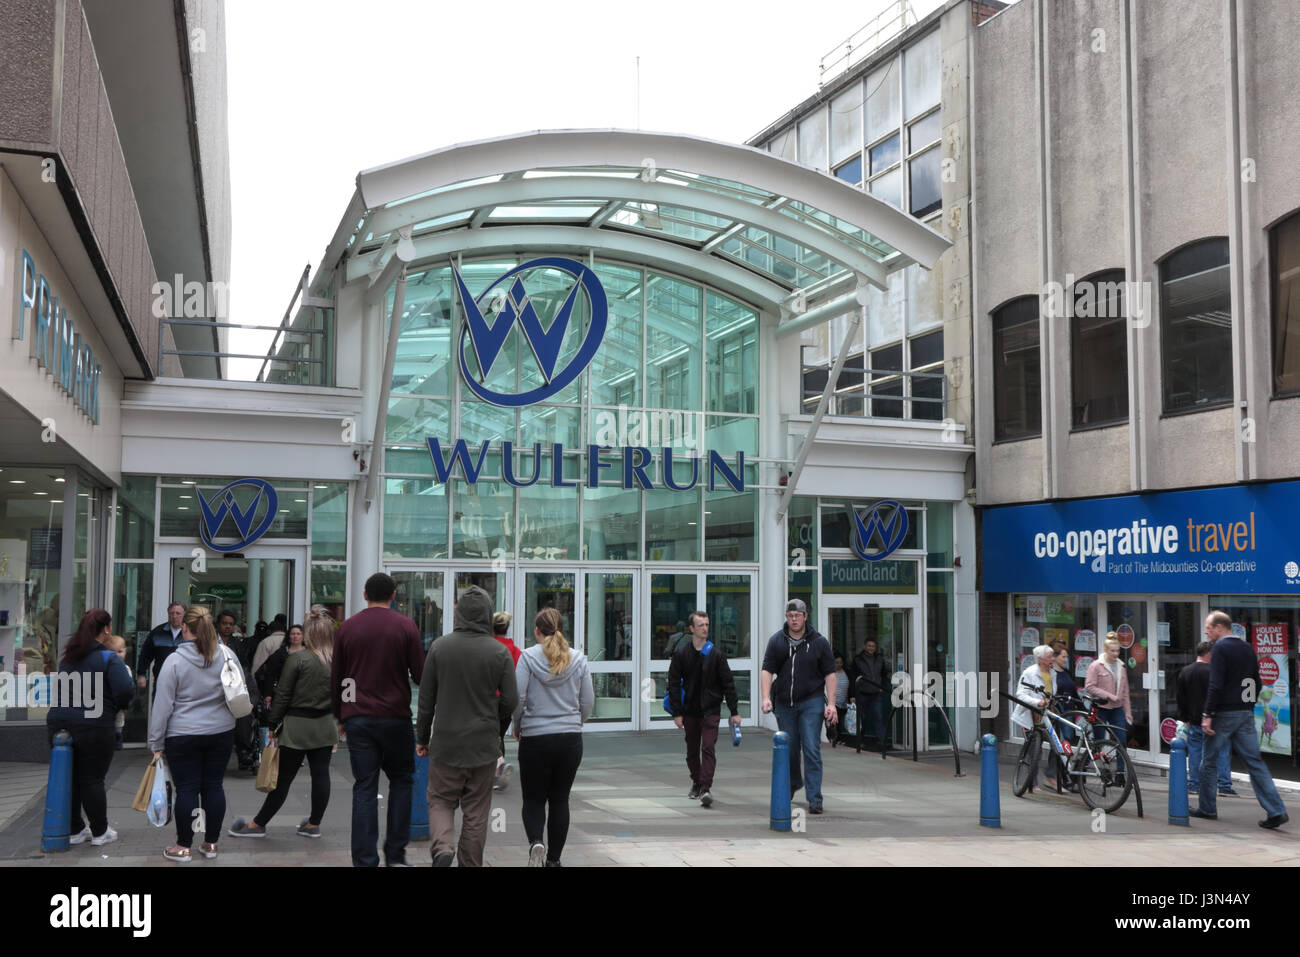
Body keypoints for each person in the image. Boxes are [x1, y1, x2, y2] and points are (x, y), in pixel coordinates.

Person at [415, 585, 518, 867]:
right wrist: (494, 726)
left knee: (440, 800)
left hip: (446, 743)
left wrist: (422, 738)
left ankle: (443, 847)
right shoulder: (499, 652)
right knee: (476, 811)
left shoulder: (439, 647)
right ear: (487, 615)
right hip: (483, 746)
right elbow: (511, 700)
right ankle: (469, 863)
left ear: (458, 613)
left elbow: (426, 701)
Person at [331, 572, 424, 867]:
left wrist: (342, 714)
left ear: (364, 594)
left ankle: (365, 859)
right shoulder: (406, 626)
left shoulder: (347, 628)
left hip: (359, 718)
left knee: (365, 787)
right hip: (396, 717)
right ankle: (395, 855)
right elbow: (420, 674)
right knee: (402, 782)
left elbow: (340, 678)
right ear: (394, 595)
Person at [229, 610, 338, 839]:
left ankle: (258, 824)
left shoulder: (298, 659)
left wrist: (272, 725)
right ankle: (313, 825)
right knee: (321, 775)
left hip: (297, 726)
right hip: (326, 725)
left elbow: (283, 696)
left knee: (283, 778)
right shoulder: (336, 662)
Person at [148, 606, 238, 863]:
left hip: (182, 734)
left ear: (185, 629)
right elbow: (237, 689)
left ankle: (183, 846)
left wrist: (156, 741)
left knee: (186, 789)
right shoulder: (226, 655)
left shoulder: (174, 661)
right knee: (214, 786)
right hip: (221, 731)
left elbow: (162, 706)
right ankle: (211, 844)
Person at [1190, 611, 1289, 828]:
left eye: (1208, 627)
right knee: (1254, 762)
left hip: (1224, 713)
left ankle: (1207, 808)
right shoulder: (1247, 648)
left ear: (1220, 627)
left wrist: (1207, 715)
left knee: (1209, 761)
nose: (1206, 631)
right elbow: (1257, 682)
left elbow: (1215, 685)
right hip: (1245, 713)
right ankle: (1276, 810)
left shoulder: (1220, 649)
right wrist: (1248, 705)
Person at [46, 610, 134, 847]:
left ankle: (75, 829)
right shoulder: (108, 658)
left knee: (71, 777)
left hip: (59, 724)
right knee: (93, 779)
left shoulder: (69, 658)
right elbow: (125, 691)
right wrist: (116, 708)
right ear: (106, 630)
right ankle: (99, 831)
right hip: (94, 725)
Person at [513, 607, 593, 866]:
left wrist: (518, 724)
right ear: (562, 628)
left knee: (533, 798)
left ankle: (536, 841)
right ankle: (554, 860)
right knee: (560, 799)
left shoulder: (527, 657)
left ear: (536, 630)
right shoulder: (578, 659)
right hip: (570, 740)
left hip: (535, 738)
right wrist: (575, 722)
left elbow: (518, 697)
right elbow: (588, 701)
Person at [760, 599, 837, 814]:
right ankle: (794, 782)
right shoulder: (777, 641)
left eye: (798, 615)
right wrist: (766, 697)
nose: (794, 619)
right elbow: (767, 670)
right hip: (784, 703)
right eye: (790, 616)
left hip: (811, 702)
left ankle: (815, 799)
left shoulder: (819, 642)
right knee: (790, 749)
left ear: (805, 617)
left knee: (811, 748)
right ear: (786, 617)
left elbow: (830, 674)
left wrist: (831, 704)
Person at [667, 610, 740, 806]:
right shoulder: (682, 655)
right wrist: (677, 713)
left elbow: (728, 683)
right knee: (692, 752)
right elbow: (673, 684)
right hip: (690, 711)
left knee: (708, 748)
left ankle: (705, 788)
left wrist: (734, 712)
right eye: (701, 625)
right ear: (692, 629)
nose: (705, 628)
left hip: (710, 711)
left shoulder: (716, 654)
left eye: (707, 624)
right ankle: (696, 782)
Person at [1177, 640, 1234, 796]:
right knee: (1222, 751)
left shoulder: (1185, 671)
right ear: (1209, 654)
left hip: (1194, 720)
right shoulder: (1213, 673)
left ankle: (1194, 784)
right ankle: (1224, 785)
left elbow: (1181, 698)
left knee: (1195, 752)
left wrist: (1185, 717)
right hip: (1214, 721)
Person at [1009, 644, 1058, 790]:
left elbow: (1052, 692)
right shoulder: (1029, 673)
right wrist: (1038, 702)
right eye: (1050, 657)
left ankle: (1051, 776)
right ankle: (1033, 782)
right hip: (1031, 715)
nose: (1053, 659)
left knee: (1057, 746)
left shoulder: (1053, 673)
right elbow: (1020, 694)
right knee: (1034, 750)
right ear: (1040, 659)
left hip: (1048, 715)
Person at [217, 610, 260, 772]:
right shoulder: (212, 642)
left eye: (230, 624)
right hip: (217, 684)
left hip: (234, 683)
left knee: (244, 713)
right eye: (224, 623)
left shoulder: (238, 645)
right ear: (218, 624)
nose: (227, 627)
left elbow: (243, 668)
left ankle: (244, 750)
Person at [1085, 636, 1134, 776]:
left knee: (1121, 740)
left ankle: (1120, 772)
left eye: (1117, 651)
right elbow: (1089, 687)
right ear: (1105, 650)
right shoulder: (1096, 666)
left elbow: (1125, 692)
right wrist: (1109, 695)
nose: (1115, 654)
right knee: (1098, 741)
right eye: (1112, 651)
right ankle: (1086, 766)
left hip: (1117, 709)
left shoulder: (1121, 666)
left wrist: (1128, 712)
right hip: (1100, 708)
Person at [491, 611, 521, 791]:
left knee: (491, 736)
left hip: (490, 699)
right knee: (498, 735)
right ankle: (497, 770)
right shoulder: (516, 651)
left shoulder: (490, 648)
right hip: (508, 700)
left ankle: (499, 766)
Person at [848, 638, 892, 755]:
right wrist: (852, 694)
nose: (871, 648)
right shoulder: (858, 660)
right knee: (862, 719)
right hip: (862, 693)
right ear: (865, 646)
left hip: (876, 693)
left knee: (878, 717)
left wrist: (883, 685)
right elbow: (853, 678)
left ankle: (881, 743)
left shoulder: (880, 659)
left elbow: (883, 674)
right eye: (869, 646)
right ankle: (859, 741)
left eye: (873, 646)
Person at [136, 602, 185, 692]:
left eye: (178, 613)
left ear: (184, 615)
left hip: (184, 683)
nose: (174, 616)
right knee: (159, 705)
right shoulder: (157, 633)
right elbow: (145, 655)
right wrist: (141, 674)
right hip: (161, 681)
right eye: (171, 613)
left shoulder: (190, 633)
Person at [831, 655, 849, 746]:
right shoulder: (831, 673)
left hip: (844, 702)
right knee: (835, 722)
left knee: (841, 721)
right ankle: (835, 739)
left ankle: (838, 738)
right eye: (836, 662)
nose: (839, 664)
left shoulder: (846, 672)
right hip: (834, 702)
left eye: (840, 662)